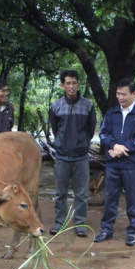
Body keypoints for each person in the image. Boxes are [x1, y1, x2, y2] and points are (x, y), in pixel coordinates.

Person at [94, 78, 135, 246]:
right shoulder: (111, 113)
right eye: (118, 94)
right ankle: (106, 230)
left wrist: (122, 148)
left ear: (134, 94)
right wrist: (113, 145)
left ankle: (132, 231)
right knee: (110, 198)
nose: (120, 97)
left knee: (133, 200)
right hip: (113, 165)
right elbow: (103, 133)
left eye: (124, 94)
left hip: (132, 165)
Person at [48, 70, 97, 237]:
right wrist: (62, 144)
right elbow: (56, 130)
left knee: (81, 194)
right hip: (61, 156)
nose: (71, 86)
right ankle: (59, 221)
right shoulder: (56, 106)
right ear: (63, 85)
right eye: (67, 83)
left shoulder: (88, 106)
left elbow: (90, 131)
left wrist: (81, 144)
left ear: (78, 84)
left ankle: (80, 223)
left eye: (74, 83)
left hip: (81, 157)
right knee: (60, 192)